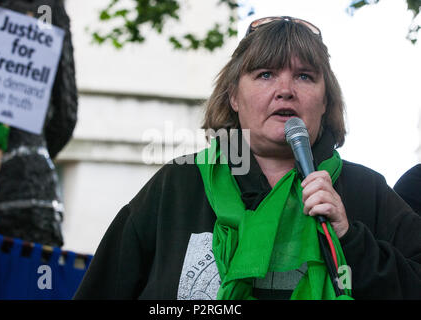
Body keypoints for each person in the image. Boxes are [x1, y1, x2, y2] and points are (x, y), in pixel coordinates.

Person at [74, 16, 421, 299]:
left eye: (304, 76)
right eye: (265, 74)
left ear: (326, 101)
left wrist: (351, 241)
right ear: (234, 98)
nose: (285, 89)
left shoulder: (364, 190)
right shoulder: (178, 184)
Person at [0, 0, 77, 246]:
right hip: (31, 186)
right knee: (31, 282)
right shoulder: (47, 6)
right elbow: (65, 111)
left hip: (19, 186)